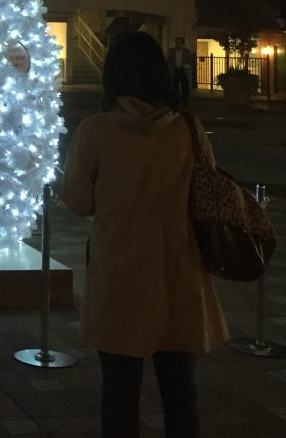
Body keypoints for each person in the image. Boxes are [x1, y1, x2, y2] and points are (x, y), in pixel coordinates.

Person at [61, 30, 228, 438]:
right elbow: (209, 195)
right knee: (180, 391)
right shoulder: (188, 130)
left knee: (119, 391)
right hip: (179, 272)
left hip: (120, 274)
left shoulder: (95, 131)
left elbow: (78, 201)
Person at [167, 36, 194, 107]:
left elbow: (191, 62)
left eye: (179, 43)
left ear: (182, 44)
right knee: (175, 87)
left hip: (184, 70)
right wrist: (170, 68)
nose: (177, 44)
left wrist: (188, 66)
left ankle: (184, 102)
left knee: (185, 87)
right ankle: (176, 101)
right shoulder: (171, 51)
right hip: (175, 70)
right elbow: (168, 61)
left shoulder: (187, 52)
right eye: (176, 43)